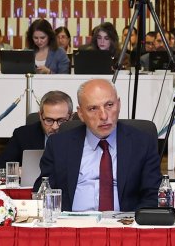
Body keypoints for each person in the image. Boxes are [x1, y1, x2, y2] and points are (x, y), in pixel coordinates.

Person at [36, 78, 161, 212]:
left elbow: (152, 195)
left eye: (109, 105)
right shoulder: (59, 145)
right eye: (93, 108)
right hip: (73, 225)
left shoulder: (142, 143)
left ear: (119, 105)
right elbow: (43, 189)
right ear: (81, 114)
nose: (103, 116)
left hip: (124, 226)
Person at [0, 91, 74, 168]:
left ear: (71, 117)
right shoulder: (22, 135)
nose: (55, 127)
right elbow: (1, 166)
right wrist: (18, 171)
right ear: (40, 116)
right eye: (49, 120)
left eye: (61, 121)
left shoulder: (81, 136)